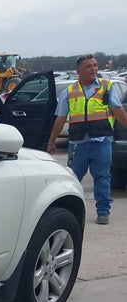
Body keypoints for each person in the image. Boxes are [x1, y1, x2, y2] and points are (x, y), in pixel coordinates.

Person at [47, 54, 127, 225]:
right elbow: (60, 119)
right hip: (78, 144)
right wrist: (52, 141)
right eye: (88, 67)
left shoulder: (107, 87)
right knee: (72, 179)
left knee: (102, 177)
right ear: (79, 71)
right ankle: (68, 210)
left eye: (95, 65)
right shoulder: (69, 92)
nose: (93, 69)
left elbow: (118, 110)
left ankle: (103, 212)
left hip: (101, 142)